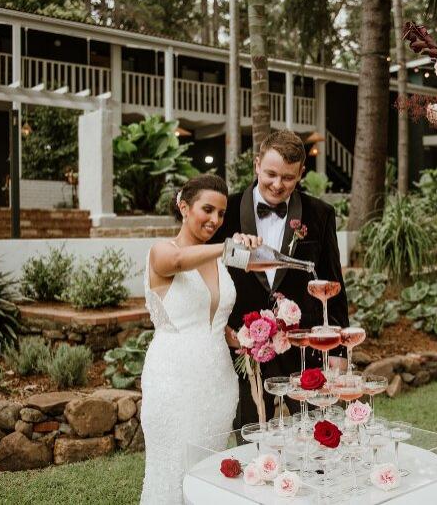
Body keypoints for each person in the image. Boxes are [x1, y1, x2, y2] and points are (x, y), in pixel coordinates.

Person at [212, 130, 349, 428]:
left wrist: (338, 350)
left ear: (301, 173)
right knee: (250, 434)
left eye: (288, 177)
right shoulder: (226, 211)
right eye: (271, 174)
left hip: (303, 349)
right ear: (257, 164)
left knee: (314, 432)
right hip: (242, 347)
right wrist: (222, 327)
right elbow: (208, 273)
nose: (277, 184)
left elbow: (333, 282)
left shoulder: (320, 214)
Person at [139, 173, 261, 504]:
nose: (215, 220)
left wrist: (248, 337)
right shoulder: (162, 251)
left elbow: (213, 320)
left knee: (208, 472)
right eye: (207, 210)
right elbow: (177, 262)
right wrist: (227, 246)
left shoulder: (220, 261)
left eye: (221, 214)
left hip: (218, 381)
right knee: (173, 470)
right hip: (173, 381)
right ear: (183, 207)